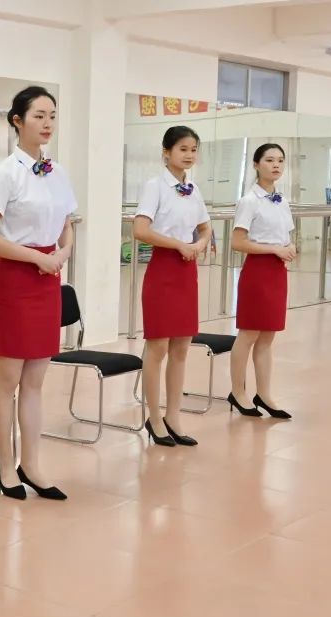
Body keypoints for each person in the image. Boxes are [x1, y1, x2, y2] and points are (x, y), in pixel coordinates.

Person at [0, 86, 74, 502]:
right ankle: (5, 464)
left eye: (52, 115)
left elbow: (67, 224)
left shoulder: (57, 172)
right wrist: (36, 258)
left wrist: (62, 253)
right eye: (38, 115)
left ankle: (31, 464)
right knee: (9, 378)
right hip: (17, 279)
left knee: (36, 380)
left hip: (48, 278)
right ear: (17, 121)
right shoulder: (5, 172)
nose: (47, 123)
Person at [133, 126, 212, 447]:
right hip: (164, 269)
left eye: (193, 149)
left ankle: (174, 416)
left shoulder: (193, 188)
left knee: (181, 347)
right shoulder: (155, 186)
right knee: (158, 347)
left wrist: (199, 244)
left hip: (186, 270)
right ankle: (154, 418)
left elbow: (205, 228)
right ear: (166, 152)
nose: (189, 155)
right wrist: (178, 244)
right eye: (183, 149)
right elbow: (140, 229)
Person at [228, 142, 294, 419]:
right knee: (249, 334)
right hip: (257, 271)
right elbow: (237, 242)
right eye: (269, 160)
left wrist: (289, 247)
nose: (276, 165)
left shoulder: (282, 200)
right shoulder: (249, 201)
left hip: (278, 271)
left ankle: (264, 394)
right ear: (256, 164)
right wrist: (274, 250)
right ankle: (238, 391)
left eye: (280, 160)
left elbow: (286, 235)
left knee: (268, 336)